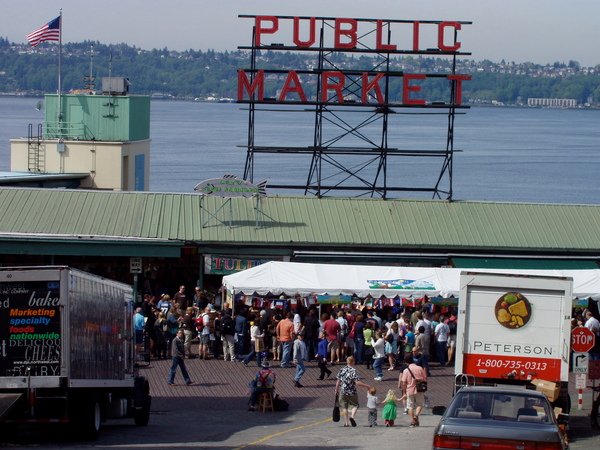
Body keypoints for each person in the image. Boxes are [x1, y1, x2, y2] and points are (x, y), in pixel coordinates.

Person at [335, 356, 370, 427]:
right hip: (352, 391)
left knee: (344, 407)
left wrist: (336, 389)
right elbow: (357, 382)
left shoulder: (342, 369)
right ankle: (352, 417)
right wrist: (366, 386)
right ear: (353, 362)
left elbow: (338, 380)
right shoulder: (353, 370)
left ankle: (346, 423)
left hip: (343, 390)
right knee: (355, 405)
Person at [400, 353, 427, 427]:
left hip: (409, 390)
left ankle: (413, 419)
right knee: (420, 404)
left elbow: (404, 382)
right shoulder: (420, 368)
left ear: (406, 362)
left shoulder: (406, 370)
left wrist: (404, 392)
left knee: (410, 406)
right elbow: (424, 379)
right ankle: (416, 415)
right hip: (419, 389)